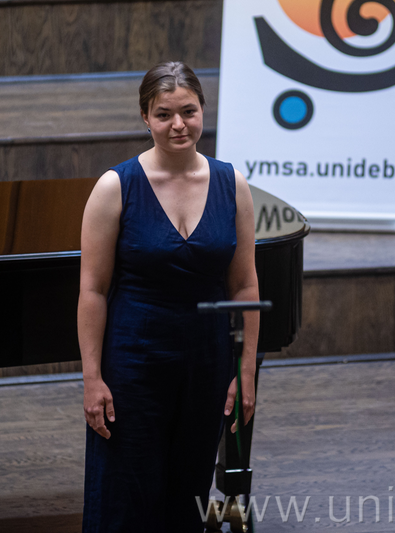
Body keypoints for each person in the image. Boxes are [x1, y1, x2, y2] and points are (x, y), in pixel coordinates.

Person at [78, 61, 260, 533]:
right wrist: (92, 378)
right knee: (126, 490)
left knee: (190, 488)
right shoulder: (115, 187)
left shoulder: (232, 184)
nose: (179, 124)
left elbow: (244, 285)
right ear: (145, 117)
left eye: (188, 111)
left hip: (206, 360)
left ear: (202, 111)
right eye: (164, 114)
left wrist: (245, 371)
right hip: (134, 361)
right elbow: (93, 290)